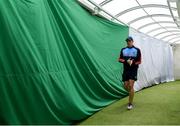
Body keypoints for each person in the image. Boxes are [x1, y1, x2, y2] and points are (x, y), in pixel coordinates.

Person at [118, 36, 141, 110]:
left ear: (132, 41)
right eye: (127, 41)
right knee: (125, 86)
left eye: (130, 41)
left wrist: (133, 62)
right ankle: (132, 93)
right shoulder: (123, 50)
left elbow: (139, 61)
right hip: (126, 70)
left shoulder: (137, 50)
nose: (128, 42)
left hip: (133, 70)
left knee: (131, 85)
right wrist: (126, 61)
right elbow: (119, 59)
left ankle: (130, 103)